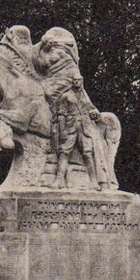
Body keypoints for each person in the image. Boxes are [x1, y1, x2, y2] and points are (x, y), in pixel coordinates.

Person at [33, 27, 104, 189]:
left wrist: (94, 112)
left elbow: (88, 106)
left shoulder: (81, 96)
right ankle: (59, 180)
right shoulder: (65, 96)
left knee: (88, 153)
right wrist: (63, 130)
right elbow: (61, 115)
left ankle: (94, 182)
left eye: (79, 80)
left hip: (83, 128)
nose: (77, 81)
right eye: (76, 79)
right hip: (70, 128)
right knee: (64, 153)